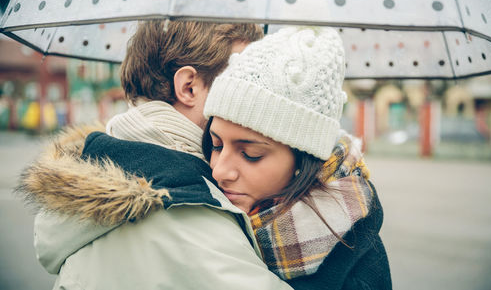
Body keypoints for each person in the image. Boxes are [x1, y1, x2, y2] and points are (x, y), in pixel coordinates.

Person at [18, 20, 296, 289]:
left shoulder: (105, 162)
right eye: (242, 77)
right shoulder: (189, 215)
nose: (257, 92)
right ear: (189, 87)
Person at [200, 26, 392, 289]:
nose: (220, 171)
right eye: (216, 145)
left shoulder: (358, 269)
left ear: (304, 161)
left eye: (251, 154)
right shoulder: (214, 218)